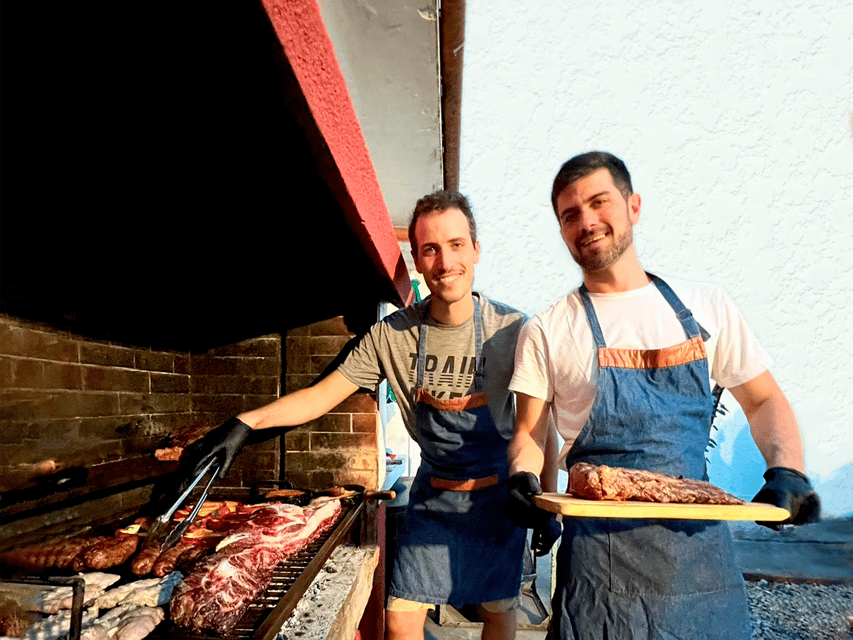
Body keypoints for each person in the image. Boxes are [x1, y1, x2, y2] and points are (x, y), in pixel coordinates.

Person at [174, 190, 559, 640]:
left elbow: (539, 429)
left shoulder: (514, 330)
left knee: (497, 612)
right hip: (432, 498)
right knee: (399, 619)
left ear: (475, 249)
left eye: (456, 245)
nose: (444, 261)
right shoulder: (391, 336)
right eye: (430, 249)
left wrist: (546, 501)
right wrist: (245, 423)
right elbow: (320, 396)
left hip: (498, 500)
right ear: (416, 257)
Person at [505, 151, 821, 640]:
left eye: (599, 202)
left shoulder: (706, 306)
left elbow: (763, 401)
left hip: (699, 566)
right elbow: (529, 431)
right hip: (599, 579)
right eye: (570, 215)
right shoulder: (549, 329)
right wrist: (522, 478)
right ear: (563, 231)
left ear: (633, 205)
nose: (587, 221)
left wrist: (788, 468)